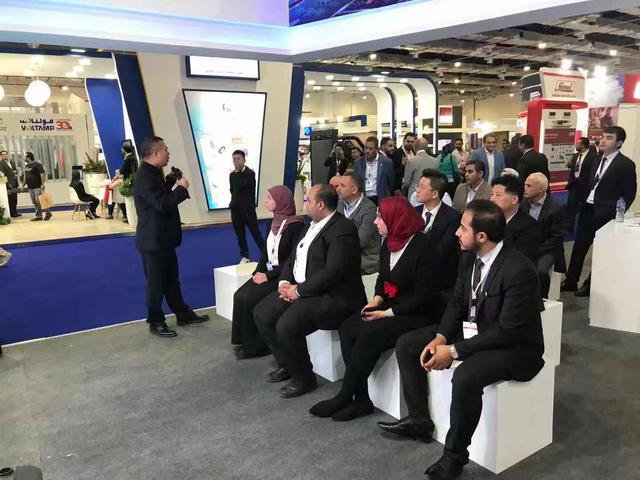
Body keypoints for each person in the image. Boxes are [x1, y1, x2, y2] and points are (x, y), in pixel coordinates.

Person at [378, 200, 545, 480]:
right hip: (476, 330)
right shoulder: (468, 257)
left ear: (482, 236)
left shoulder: (519, 270)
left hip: (515, 347)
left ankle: (454, 457)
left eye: (463, 228)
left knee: (466, 376)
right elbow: (457, 302)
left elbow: (507, 331)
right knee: (408, 344)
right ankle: (419, 421)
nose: (456, 232)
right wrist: (440, 337)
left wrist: (453, 351)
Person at [309, 196, 442, 421]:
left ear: (396, 219)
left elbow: (424, 296)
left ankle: (345, 395)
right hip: (392, 305)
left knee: (370, 333)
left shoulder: (422, 247)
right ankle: (361, 399)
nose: (375, 221)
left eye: (381, 217)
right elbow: (382, 278)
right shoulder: (388, 243)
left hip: (418, 313)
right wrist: (377, 300)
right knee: (348, 327)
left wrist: (386, 313)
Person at [253, 184, 365, 398]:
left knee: (287, 326)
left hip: (332, 296)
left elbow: (333, 272)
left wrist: (299, 291)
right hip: (303, 289)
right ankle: (288, 364)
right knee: (262, 314)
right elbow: (292, 258)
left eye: (308, 200)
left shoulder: (343, 229)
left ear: (321, 205)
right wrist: (284, 282)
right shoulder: (309, 226)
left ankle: (304, 379)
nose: (304, 204)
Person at [134, 136, 209, 338]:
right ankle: (155, 321)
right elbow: (162, 204)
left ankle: (182, 314)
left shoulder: (153, 173)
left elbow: (159, 196)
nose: (168, 154)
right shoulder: (144, 176)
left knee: (171, 281)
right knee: (156, 284)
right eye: (166, 150)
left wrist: (168, 181)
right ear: (156, 153)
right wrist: (181, 189)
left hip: (162, 239)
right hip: (153, 241)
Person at [232, 186, 305, 359]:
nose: (266, 201)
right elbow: (265, 254)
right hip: (269, 272)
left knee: (249, 298)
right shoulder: (271, 223)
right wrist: (257, 273)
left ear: (281, 201)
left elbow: (292, 260)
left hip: (283, 276)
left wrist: (267, 276)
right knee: (239, 295)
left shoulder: (296, 226)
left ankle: (257, 346)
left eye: (269, 198)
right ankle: (245, 341)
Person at [562, 126, 637, 297]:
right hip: (588, 209)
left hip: (606, 215)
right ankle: (571, 280)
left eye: (608, 138)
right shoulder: (596, 160)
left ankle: (590, 285)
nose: (602, 140)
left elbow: (629, 193)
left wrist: (616, 213)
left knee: (600, 252)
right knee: (579, 247)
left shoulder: (625, 164)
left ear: (619, 143)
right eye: (602, 137)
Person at [415, 169, 461, 293]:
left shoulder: (453, 217)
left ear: (435, 193)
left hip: (439, 280)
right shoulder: (412, 212)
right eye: (418, 186)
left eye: (422, 187)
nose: (417, 190)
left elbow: (443, 250)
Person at [522, 173, 566, 298]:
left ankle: (542, 300)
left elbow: (556, 237)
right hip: (524, 246)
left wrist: (536, 251)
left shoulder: (557, 208)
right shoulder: (521, 204)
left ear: (540, 189)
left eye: (529, 186)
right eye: (525, 184)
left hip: (546, 249)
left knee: (541, 271)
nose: (524, 188)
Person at [490, 175, 541, 264]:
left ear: (514, 199)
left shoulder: (529, 227)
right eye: (491, 194)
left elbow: (519, 261)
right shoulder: (487, 219)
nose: (492, 199)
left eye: (498, 195)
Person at [335, 171, 379, 274]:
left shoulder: (369, 209)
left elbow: (360, 241)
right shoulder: (338, 205)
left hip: (366, 259)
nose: (338, 189)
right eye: (338, 185)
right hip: (343, 256)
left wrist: (334, 247)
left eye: (342, 186)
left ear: (354, 190)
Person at [229, 150, 266, 263]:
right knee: (240, 235)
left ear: (244, 160)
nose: (236, 161)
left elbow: (242, 186)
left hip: (248, 210)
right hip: (235, 210)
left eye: (238, 159)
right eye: (234, 159)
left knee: (256, 234)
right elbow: (233, 190)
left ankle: (266, 255)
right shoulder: (232, 175)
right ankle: (245, 256)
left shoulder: (250, 173)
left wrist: (238, 173)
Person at [565, 137, 597, 231]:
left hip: (585, 187)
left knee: (584, 208)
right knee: (571, 207)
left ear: (583, 145)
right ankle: (569, 227)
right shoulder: (575, 156)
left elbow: (593, 172)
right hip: (574, 185)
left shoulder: (593, 156)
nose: (576, 145)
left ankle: (582, 227)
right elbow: (572, 167)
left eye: (578, 143)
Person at [352, 136, 395, 205]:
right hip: (363, 199)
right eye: (366, 148)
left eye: (371, 148)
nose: (367, 151)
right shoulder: (358, 163)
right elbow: (355, 181)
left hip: (381, 198)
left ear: (377, 149)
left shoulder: (387, 162)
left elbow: (391, 183)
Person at [24, 152, 52, 222]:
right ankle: (38, 216)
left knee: (39, 200)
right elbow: (25, 175)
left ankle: (48, 213)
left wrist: (42, 184)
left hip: (37, 186)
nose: (24, 158)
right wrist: (23, 183)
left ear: (28, 157)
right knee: (34, 201)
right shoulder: (26, 166)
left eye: (25, 157)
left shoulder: (37, 165)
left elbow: (42, 174)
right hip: (30, 187)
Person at [0, 150, 20, 218]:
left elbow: (16, 171)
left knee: (15, 199)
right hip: (8, 184)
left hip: (15, 182)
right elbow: (3, 175)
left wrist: (15, 172)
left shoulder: (11, 162)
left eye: (5, 154)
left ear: (7, 155)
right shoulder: (1, 164)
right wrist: (8, 183)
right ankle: (11, 213)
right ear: (1, 156)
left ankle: (15, 212)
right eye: (3, 154)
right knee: (10, 199)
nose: (5, 155)